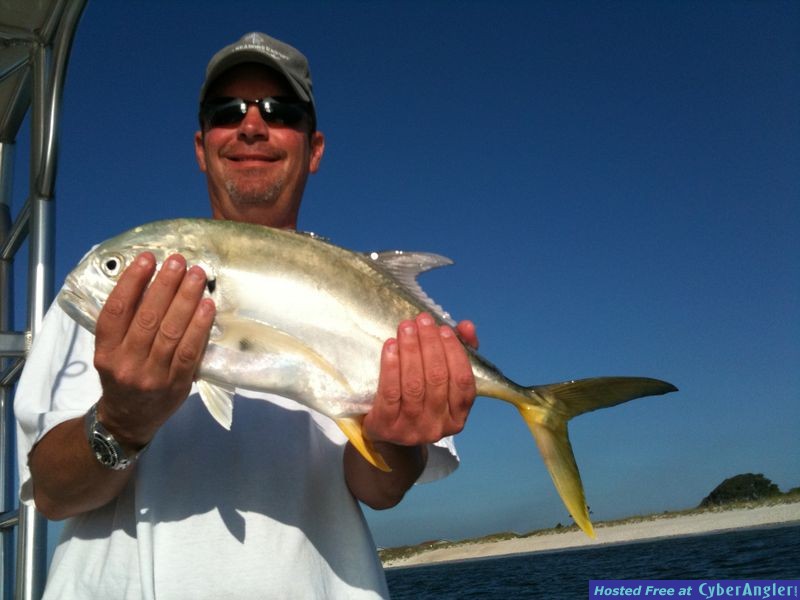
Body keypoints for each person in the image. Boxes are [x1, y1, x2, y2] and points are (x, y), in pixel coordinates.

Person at [15, 31, 478, 599]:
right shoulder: (123, 290)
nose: (251, 126)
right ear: (200, 145)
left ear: (314, 148)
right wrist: (121, 421)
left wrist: (392, 438)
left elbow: (380, 489)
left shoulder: (368, 300)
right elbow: (53, 493)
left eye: (279, 111)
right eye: (226, 111)